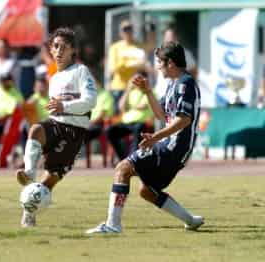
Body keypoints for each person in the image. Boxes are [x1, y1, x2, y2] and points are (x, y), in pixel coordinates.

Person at [86, 41, 203, 234]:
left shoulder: (185, 84)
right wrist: (148, 91)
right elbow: (161, 115)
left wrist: (156, 137)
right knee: (146, 191)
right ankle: (190, 220)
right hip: (173, 148)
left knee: (123, 168)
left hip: (173, 148)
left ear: (171, 63)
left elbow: (184, 120)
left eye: (160, 62)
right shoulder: (174, 84)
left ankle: (113, 225)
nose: (157, 66)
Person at [16, 27, 97, 227]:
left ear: (73, 51)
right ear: (51, 50)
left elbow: (91, 101)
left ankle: (30, 211)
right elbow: (54, 110)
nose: (59, 51)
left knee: (48, 183)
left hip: (73, 134)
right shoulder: (53, 79)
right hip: (56, 125)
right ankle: (29, 172)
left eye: (64, 47)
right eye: (56, 46)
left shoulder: (80, 71)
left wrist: (64, 105)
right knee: (35, 130)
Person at [106, 71, 153, 161]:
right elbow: (121, 107)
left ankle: (133, 159)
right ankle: (124, 159)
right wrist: (128, 90)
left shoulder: (149, 92)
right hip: (127, 122)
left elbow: (142, 106)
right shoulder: (131, 92)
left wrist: (131, 107)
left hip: (143, 123)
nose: (135, 82)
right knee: (110, 131)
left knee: (138, 129)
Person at [108, 20, 146, 113]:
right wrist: (131, 64)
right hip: (119, 88)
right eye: (125, 29)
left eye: (130, 28)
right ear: (121, 32)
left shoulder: (138, 45)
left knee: (132, 115)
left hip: (134, 88)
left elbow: (143, 62)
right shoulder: (115, 47)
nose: (128, 31)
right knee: (118, 117)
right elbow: (112, 68)